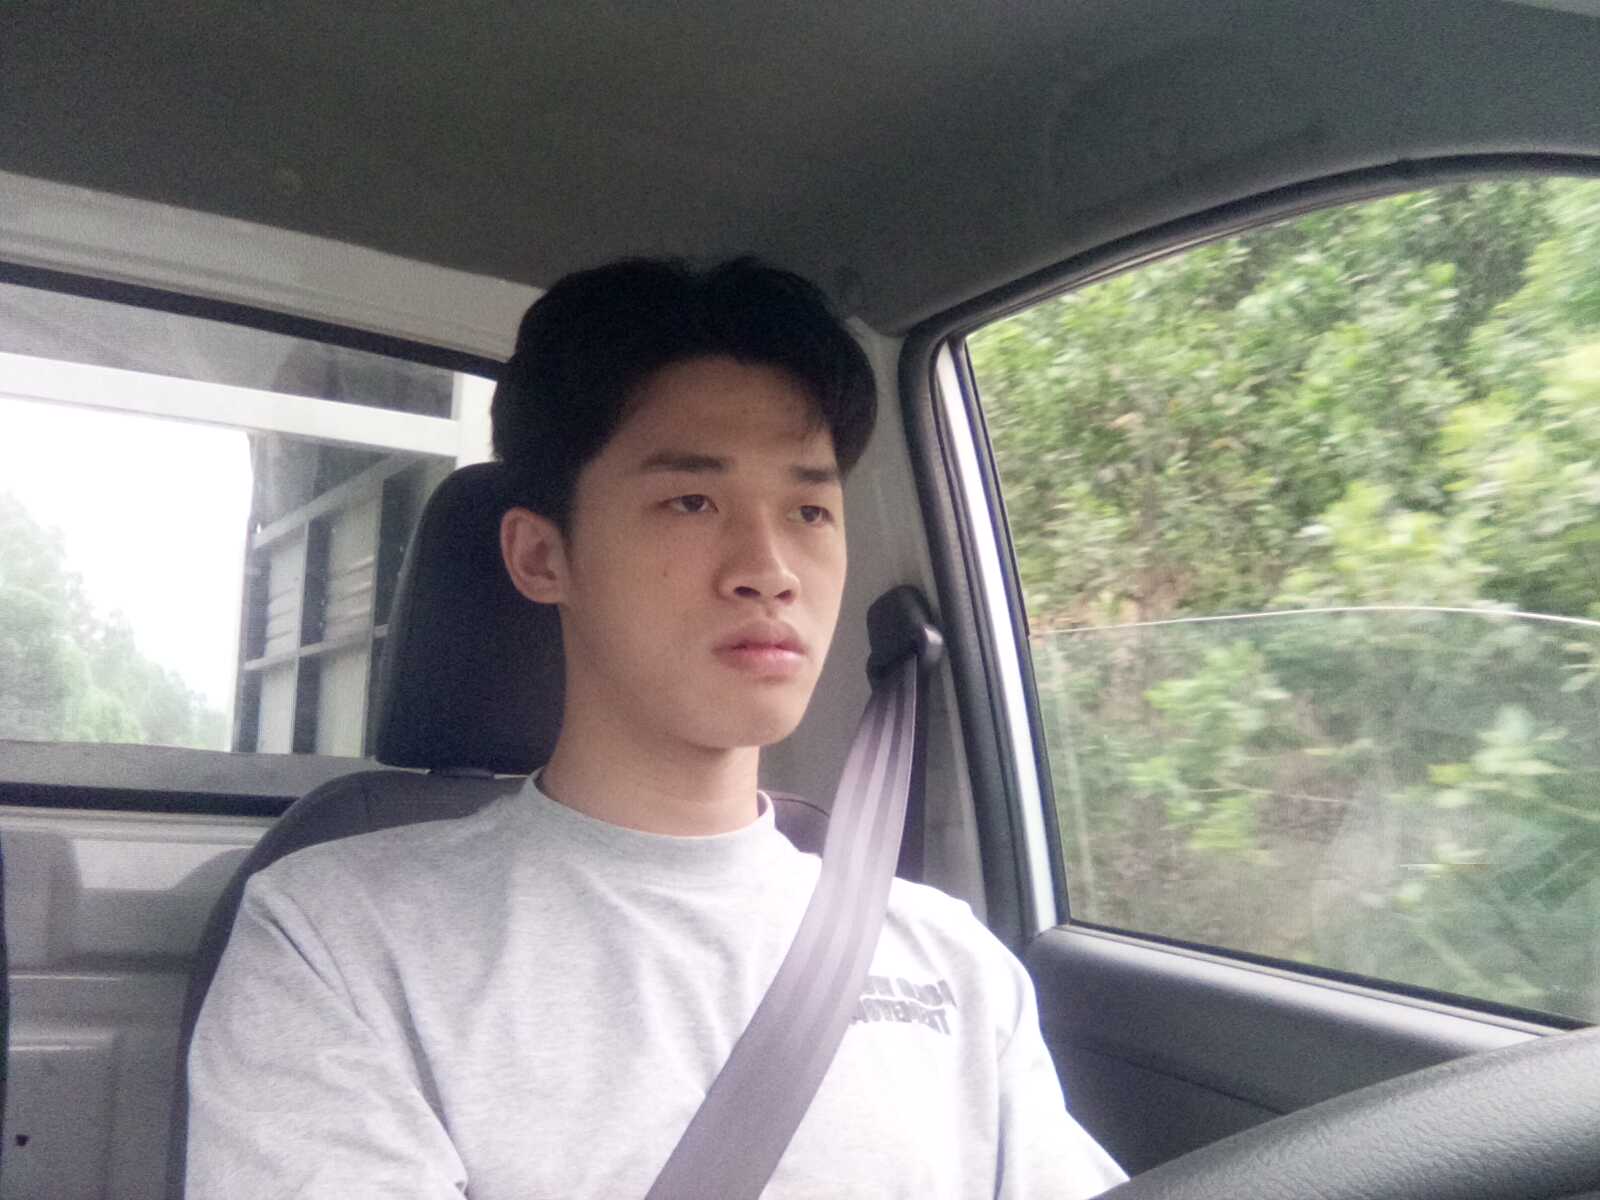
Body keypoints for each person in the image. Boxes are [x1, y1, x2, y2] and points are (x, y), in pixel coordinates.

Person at [186, 258, 1127, 1198]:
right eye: (692, 501)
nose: (770, 569)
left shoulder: (953, 960)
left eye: (809, 509)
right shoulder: (336, 938)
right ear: (542, 556)